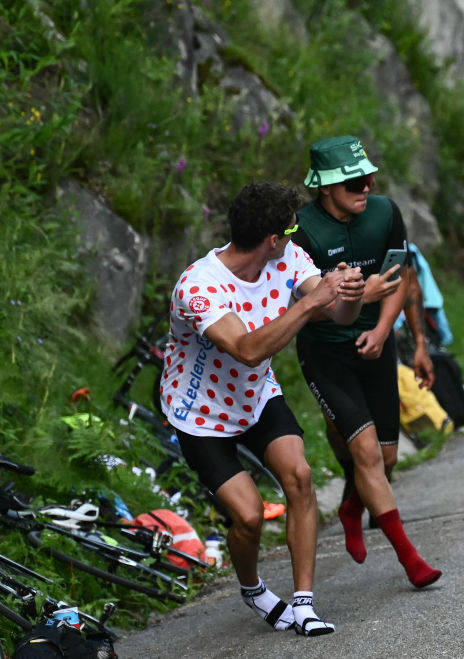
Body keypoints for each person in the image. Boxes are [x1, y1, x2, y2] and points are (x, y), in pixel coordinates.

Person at [160, 181, 365, 636]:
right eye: (290, 230)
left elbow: (338, 315)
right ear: (272, 238)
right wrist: (311, 301)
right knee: (249, 516)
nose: (295, 238)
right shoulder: (199, 287)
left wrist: (347, 294)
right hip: (200, 412)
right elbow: (248, 349)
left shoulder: (288, 258)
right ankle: (252, 588)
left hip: (255, 396)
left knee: (301, 477)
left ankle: (305, 603)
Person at [291, 136, 441, 589]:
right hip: (325, 352)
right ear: (325, 188)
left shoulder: (384, 212)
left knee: (388, 458)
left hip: (376, 343)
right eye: (355, 181)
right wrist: (351, 299)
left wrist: (385, 332)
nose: (368, 186)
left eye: (370, 176)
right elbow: (302, 305)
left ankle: (352, 506)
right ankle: (412, 561)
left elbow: (400, 278)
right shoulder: (302, 228)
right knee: (367, 453)